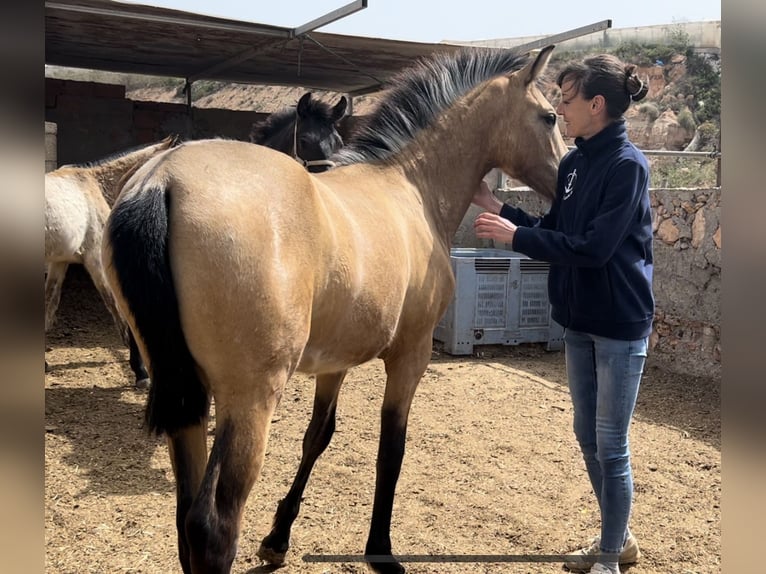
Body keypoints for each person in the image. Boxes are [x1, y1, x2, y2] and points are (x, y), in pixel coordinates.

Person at [471, 54, 653, 574]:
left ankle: (608, 561)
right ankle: (618, 539)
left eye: (566, 100)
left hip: (619, 322)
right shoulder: (573, 165)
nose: (560, 109)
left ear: (597, 105)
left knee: (611, 445)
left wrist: (518, 238)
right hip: (578, 318)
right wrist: (501, 209)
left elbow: (593, 248)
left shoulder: (627, 167)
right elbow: (557, 229)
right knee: (586, 436)